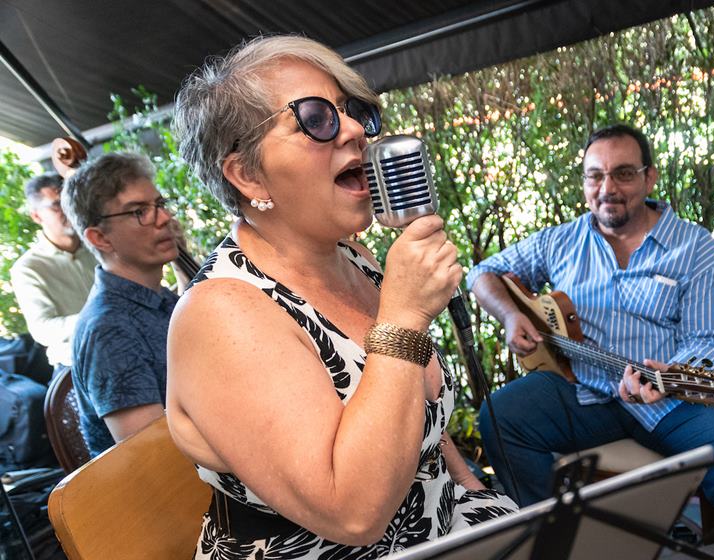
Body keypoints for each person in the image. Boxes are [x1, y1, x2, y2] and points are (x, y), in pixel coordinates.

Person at [170, 35, 516, 559]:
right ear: (246, 173)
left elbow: (418, 423)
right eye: (314, 117)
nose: (355, 129)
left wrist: (475, 495)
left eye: (352, 111)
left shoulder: (356, 259)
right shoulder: (221, 315)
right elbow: (353, 513)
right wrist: (403, 316)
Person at [467, 124, 714, 558]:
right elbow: (482, 275)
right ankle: (550, 540)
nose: (608, 188)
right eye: (595, 176)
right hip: (582, 390)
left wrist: (672, 375)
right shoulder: (561, 241)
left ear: (649, 178)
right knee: (500, 416)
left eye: (623, 174)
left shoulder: (695, 249)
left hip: (677, 399)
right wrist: (511, 314)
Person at [60, 153, 180, 457]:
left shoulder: (160, 300)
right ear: (99, 238)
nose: (164, 218)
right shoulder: (109, 329)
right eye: (140, 211)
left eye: (160, 204)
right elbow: (158, 458)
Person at [10, 173, 96, 370]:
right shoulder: (28, 268)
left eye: (70, 201)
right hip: (75, 368)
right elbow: (43, 330)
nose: (68, 209)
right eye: (57, 205)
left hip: (128, 352)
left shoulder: (99, 247)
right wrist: (101, 317)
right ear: (36, 215)